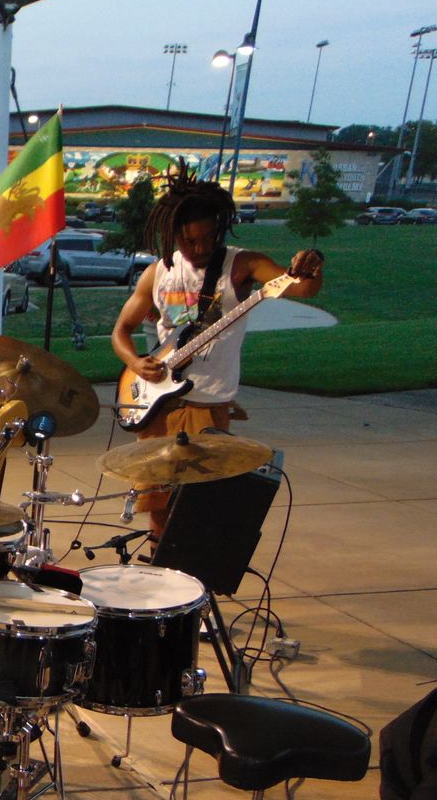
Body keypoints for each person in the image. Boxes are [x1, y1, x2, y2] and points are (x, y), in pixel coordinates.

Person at [111, 170, 324, 537]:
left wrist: (312, 267)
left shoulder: (240, 265)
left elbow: (302, 288)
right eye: (190, 241)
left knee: (198, 507)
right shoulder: (158, 273)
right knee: (156, 504)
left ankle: (192, 568)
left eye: (209, 238)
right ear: (173, 235)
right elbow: (120, 332)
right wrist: (134, 362)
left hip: (207, 405)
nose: (200, 248)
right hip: (158, 403)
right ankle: (160, 565)